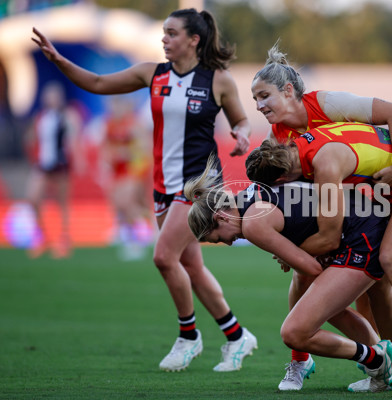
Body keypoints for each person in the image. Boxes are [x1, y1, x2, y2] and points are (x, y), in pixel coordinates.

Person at [32, 8, 257, 372]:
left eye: (171, 33)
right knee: (192, 267)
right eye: (164, 32)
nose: (164, 39)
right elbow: (98, 83)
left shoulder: (218, 80)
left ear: (193, 40)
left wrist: (243, 133)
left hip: (199, 186)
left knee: (163, 258)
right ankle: (237, 336)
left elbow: (241, 119)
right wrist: (59, 60)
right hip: (162, 186)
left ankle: (188, 337)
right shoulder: (152, 73)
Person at [250, 43, 392, 387]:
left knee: (377, 287)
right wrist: (288, 244)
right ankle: (301, 359)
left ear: (289, 90)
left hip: (380, 194)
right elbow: (277, 186)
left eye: (264, 96)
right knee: (302, 275)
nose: (260, 106)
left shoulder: (325, 104)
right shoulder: (277, 136)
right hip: (339, 205)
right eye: (255, 100)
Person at [246, 121, 392, 389]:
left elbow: (329, 237)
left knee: (390, 258)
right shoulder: (302, 149)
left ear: (280, 180)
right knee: (379, 283)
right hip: (390, 185)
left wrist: (291, 254)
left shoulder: (323, 167)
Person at [184, 159, 392, 393]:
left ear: (220, 218)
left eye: (217, 238)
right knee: (323, 307)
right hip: (366, 221)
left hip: (361, 237)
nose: (226, 242)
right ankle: (380, 366)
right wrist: (293, 255)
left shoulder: (251, 225)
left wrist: (291, 257)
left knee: (294, 332)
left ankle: (376, 359)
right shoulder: (251, 192)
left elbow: (311, 269)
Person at [24, 81, 82, 259]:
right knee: (32, 198)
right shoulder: (41, 116)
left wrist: (78, 159)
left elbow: (73, 137)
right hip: (43, 162)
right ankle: (42, 237)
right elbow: (32, 137)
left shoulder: (66, 115)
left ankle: (64, 239)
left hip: (60, 162)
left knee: (62, 202)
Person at [99, 95, 153, 261]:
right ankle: (145, 230)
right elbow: (106, 147)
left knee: (127, 203)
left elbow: (145, 148)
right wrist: (105, 164)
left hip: (134, 169)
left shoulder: (133, 124)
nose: (114, 109)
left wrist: (127, 154)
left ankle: (137, 240)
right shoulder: (109, 124)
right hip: (118, 171)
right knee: (123, 205)